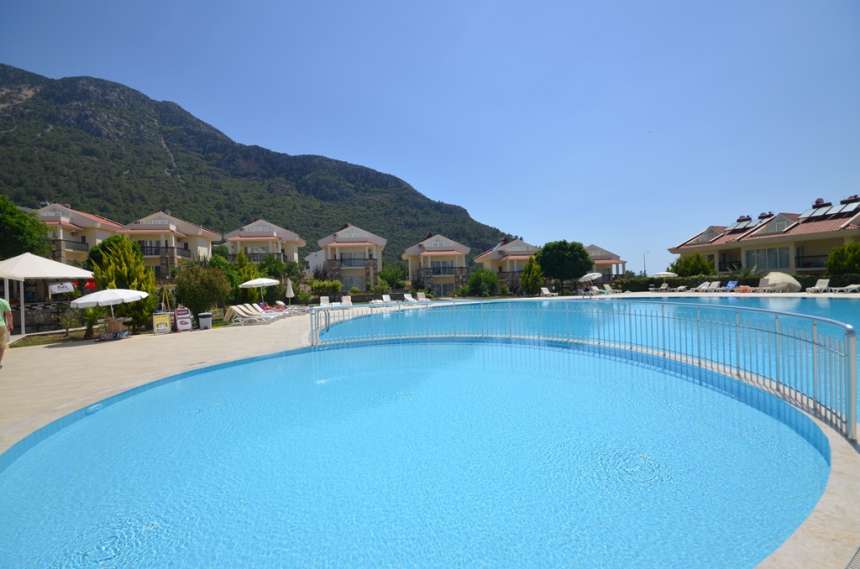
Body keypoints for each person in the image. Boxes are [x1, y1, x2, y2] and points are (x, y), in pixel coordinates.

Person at [0, 296, 12, 369]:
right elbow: (9, 314)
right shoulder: (3, 302)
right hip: (1, 326)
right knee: (1, 345)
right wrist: (10, 325)